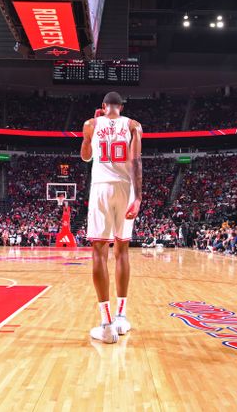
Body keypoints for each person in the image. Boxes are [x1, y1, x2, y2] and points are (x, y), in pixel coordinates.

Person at [80, 91, 143, 343]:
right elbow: (136, 161)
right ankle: (121, 317)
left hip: (101, 188)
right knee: (122, 251)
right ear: (121, 106)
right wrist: (137, 197)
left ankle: (105, 324)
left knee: (99, 251)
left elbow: (86, 156)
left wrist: (90, 133)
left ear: (104, 106)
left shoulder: (90, 124)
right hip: (125, 188)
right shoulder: (134, 125)